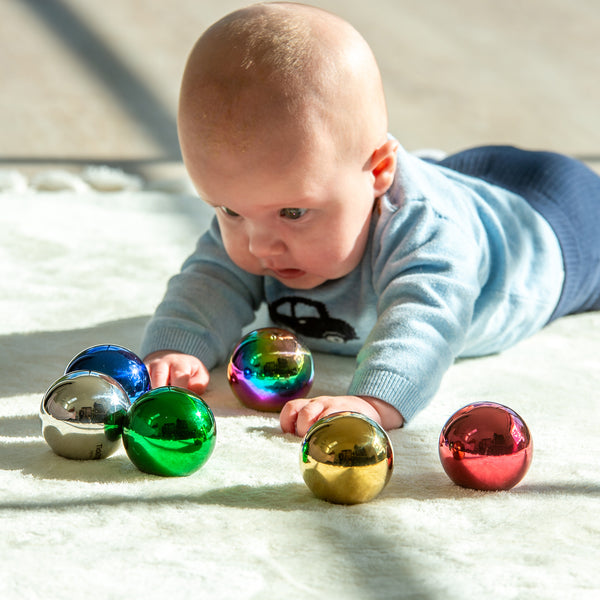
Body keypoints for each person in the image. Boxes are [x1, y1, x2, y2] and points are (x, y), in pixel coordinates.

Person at [141, 2, 600, 437]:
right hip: (453, 179)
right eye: (228, 210)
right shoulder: (264, 203)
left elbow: (426, 318)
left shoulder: (427, 236)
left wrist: (372, 401)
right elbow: (210, 279)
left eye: (294, 212)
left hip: (559, 224)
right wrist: (179, 346)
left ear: (379, 171)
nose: (260, 245)